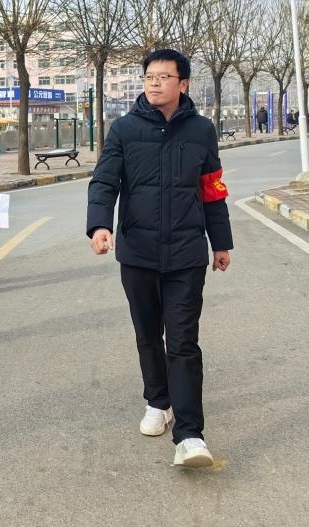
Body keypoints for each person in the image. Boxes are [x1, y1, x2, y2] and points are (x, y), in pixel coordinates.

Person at [86, 48, 233, 468]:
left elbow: (212, 189)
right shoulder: (124, 129)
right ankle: (157, 401)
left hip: (187, 254)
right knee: (148, 333)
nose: (154, 82)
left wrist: (221, 242)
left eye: (164, 76)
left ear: (183, 84)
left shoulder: (201, 131)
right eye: (149, 76)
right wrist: (99, 225)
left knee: (183, 340)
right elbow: (104, 181)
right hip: (138, 252)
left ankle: (190, 435)